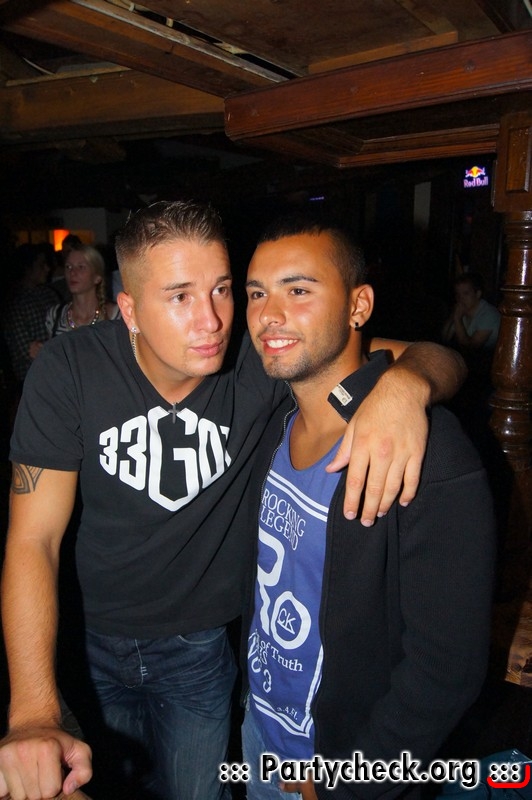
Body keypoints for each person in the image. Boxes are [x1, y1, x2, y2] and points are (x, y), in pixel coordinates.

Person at [0, 201, 465, 800]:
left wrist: (406, 385)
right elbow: (33, 540)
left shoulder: (259, 358)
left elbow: (433, 355)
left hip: (197, 650)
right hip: (87, 644)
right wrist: (33, 712)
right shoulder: (72, 369)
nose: (213, 320)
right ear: (129, 310)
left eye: (222, 290)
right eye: (180, 296)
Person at [241, 216, 495, 799]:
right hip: (258, 731)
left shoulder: (428, 452)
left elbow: (445, 672)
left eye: (298, 290)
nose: (269, 314)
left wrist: (347, 783)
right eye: (257, 293)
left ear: (358, 307)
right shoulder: (274, 422)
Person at [2, 243, 60, 383]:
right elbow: (25, 350)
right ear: (28, 268)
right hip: (31, 377)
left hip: (57, 370)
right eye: (41, 265)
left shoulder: (49, 294)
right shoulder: (15, 302)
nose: (47, 269)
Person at [45, 243, 120, 337]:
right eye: (68, 267)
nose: (72, 272)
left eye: (81, 267)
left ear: (97, 277)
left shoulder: (116, 316)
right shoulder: (56, 315)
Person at [442, 272, 500, 352]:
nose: (460, 298)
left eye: (466, 293)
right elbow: (445, 338)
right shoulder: (462, 311)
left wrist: (457, 319)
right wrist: (453, 317)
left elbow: (471, 347)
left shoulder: (489, 314)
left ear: (478, 294)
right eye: (458, 294)